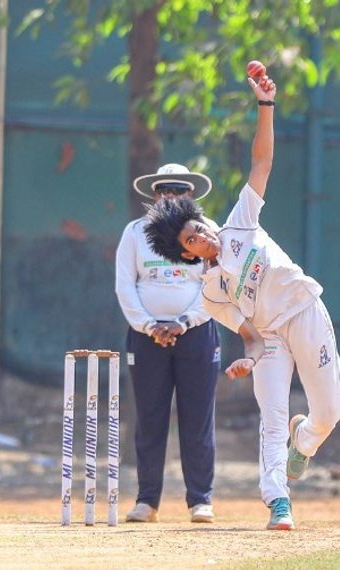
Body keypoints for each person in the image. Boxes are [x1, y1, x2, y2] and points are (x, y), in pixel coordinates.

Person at [143, 70, 340, 530]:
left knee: (329, 413)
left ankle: (305, 440)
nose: (202, 236)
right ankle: (278, 502)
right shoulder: (211, 293)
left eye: (199, 228)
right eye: (192, 240)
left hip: (305, 312)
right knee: (271, 418)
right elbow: (251, 335)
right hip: (270, 337)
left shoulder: (240, 221)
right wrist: (248, 360)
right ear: (187, 254)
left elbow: (261, 162)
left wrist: (266, 105)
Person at [115, 163, 221, 524]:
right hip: (147, 337)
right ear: (154, 195)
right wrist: (148, 325)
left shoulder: (207, 232)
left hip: (196, 332)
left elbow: (216, 285)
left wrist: (184, 321)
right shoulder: (135, 232)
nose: (170, 197)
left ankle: (200, 500)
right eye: (163, 191)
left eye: (178, 190)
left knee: (197, 418)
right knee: (149, 418)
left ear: (191, 195)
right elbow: (125, 285)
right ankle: (147, 501)